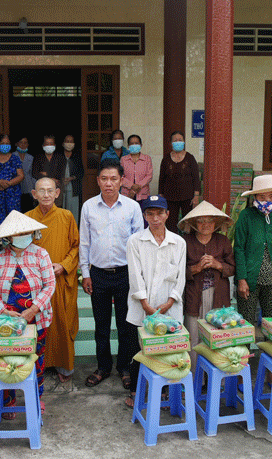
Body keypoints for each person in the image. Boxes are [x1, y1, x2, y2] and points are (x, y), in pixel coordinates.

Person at [79, 159, 143, 389]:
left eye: (114, 179)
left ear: (122, 181)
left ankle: (125, 367)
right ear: (98, 181)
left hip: (126, 273)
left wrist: (139, 276)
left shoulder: (132, 207)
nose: (109, 183)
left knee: (127, 324)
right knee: (101, 324)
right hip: (98, 275)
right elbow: (84, 243)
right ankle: (103, 366)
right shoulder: (88, 207)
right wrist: (85, 274)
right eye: (104, 179)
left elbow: (139, 244)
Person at [0, 210, 55, 416]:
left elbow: (50, 284)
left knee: (37, 357)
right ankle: (9, 400)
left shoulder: (40, 254)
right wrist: (4, 311)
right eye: (19, 233)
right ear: (8, 236)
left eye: (28, 232)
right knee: (7, 360)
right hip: (5, 322)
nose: (25, 235)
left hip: (37, 318)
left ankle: (36, 396)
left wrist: (33, 310)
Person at [125, 195, 186, 407]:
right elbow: (135, 275)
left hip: (169, 305)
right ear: (144, 216)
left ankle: (165, 390)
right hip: (143, 305)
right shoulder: (135, 241)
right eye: (150, 214)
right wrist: (145, 305)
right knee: (139, 350)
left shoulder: (178, 242)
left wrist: (170, 302)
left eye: (160, 213)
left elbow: (181, 277)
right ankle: (136, 392)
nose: (155, 218)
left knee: (166, 348)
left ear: (168, 214)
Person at [26, 178, 80, 383]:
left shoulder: (66, 216)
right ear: (34, 194)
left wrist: (64, 265)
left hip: (61, 280)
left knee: (62, 321)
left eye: (50, 191)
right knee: (37, 321)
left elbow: (76, 246)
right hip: (35, 282)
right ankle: (38, 363)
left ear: (58, 193)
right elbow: (19, 247)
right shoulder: (27, 218)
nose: (46, 195)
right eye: (42, 191)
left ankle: (63, 366)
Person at [177, 200, 235, 369]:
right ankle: (195, 380)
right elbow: (177, 271)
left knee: (216, 335)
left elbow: (232, 268)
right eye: (201, 221)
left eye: (209, 221)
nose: (205, 225)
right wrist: (196, 268)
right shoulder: (185, 241)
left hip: (218, 296)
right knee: (193, 337)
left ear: (215, 223)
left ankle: (215, 378)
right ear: (194, 224)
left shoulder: (222, 241)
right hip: (194, 295)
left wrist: (218, 265)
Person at [233, 175, 272, 328]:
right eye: (262, 196)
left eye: (271, 196)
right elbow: (238, 248)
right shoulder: (246, 216)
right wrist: (241, 279)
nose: (267, 200)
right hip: (249, 281)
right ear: (255, 197)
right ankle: (246, 352)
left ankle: (270, 352)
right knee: (246, 325)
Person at [0, 133, 24, 251]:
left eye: (7, 144)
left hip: (13, 194)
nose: (5, 146)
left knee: (14, 219)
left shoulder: (15, 158)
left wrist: (8, 184)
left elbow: (21, 175)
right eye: (2, 144)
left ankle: (16, 246)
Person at [158, 131, 201, 233]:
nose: (178, 142)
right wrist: (161, 196)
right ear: (171, 143)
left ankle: (188, 244)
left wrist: (196, 196)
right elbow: (162, 178)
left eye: (180, 140)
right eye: (175, 140)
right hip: (170, 197)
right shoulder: (166, 159)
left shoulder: (190, 158)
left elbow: (196, 177)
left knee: (188, 222)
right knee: (170, 223)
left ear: (184, 142)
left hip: (188, 197)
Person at [120, 134, 153, 204]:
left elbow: (149, 176)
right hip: (127, 194)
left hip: (143, 194)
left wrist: (138, 186)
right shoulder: (123, 159)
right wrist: (131, 185)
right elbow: (120, 176)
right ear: (128, 146)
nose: (134, 145)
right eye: (132, 143)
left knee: (142, 213)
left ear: (141, 145)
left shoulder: (147, 159)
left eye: (136, 143)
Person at [60, 134, 84, 224]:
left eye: (71, 141)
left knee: (73, 214)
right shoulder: (59, 156)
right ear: (63, 143)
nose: (69, 143)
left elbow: (81, 173)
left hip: (73, 189)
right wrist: (61, 179)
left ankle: (73, 233)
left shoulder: (77, 157)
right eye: (67, 141)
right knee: (61, 212)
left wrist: (72, 178)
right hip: (60, 189)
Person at [16, 137, 36, 213]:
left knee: (29, 214)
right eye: (21, 142)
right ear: (17, 144)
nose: (23, 145)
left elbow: (33, 175)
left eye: (25, 143)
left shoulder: (31, 158)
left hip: (29, 189)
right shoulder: (13, 156)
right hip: (16, 189)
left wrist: (34, 191)